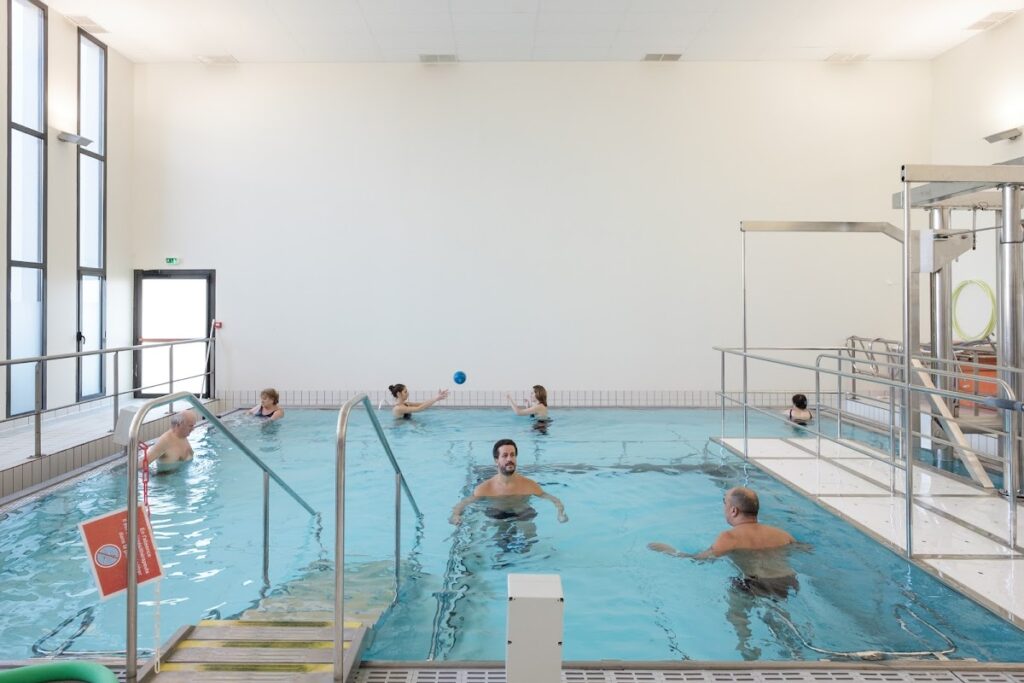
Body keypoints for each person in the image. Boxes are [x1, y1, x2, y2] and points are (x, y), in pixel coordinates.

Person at [648, 486, 798, 598]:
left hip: (756, 583)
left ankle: (741, 633)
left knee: (736, 614)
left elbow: (699, 559)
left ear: (733, 510)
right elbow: (802, 549)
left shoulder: (729, 538)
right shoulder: (783, 534)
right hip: (788, 580)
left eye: (724, 501)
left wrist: (669, 550)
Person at [449, 438, 568, 524]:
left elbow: (554, 500)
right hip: (497, 514)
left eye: (512, 455)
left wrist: (560, 513)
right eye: (505, 455)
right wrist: (455, 516)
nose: (509, 459)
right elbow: (463, 503)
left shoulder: (529, 485)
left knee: (530, 534)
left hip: (523, 513)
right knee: (498, 534)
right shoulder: (485, 488)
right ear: (496, 460)